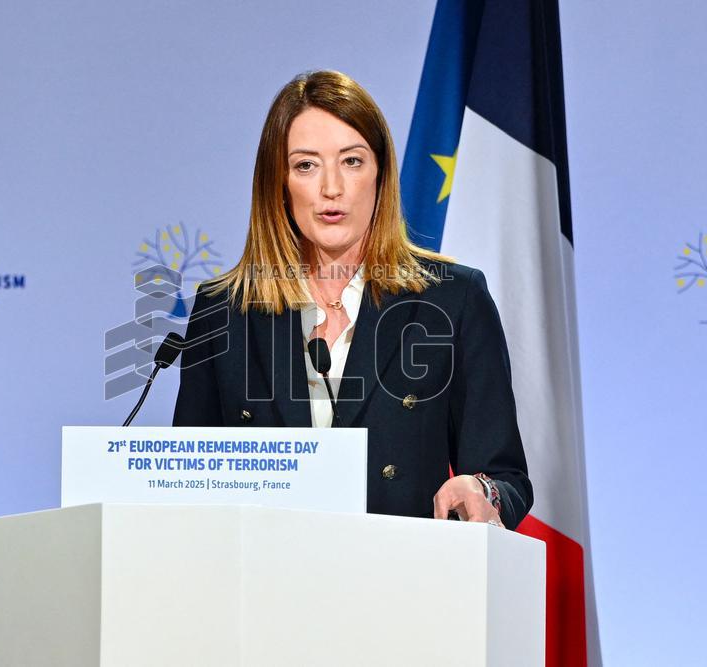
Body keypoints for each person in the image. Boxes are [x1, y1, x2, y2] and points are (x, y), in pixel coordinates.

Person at [172, 70, 531, 529]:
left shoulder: (453, 299)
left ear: (380, 173)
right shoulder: (224, 310)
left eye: (352, 161)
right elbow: (187, 487)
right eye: (306, 165)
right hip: (265, 585)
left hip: (402, 580)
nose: (331, 189)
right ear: (277, 182)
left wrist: (484, 491)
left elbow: (506, 477)